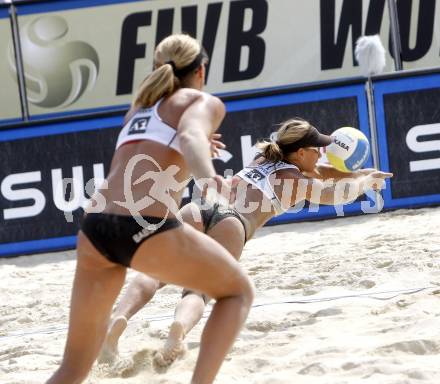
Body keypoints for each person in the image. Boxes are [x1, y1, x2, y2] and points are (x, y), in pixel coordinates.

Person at [46, 33, 255, 384]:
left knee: (72, 370)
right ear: (201, 70)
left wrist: (199, 145)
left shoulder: (138, 109)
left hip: (95, 228)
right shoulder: (203, 101)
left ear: (158, 69)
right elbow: (189, 138)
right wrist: (209, 178)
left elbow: (172, 143)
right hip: (144, 224)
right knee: (237, 292)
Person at [98, 118, 393, 366]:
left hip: (199, 207)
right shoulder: (296, 183)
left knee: (156, 270)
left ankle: (116, 322)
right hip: (231, 224)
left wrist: (358, 173)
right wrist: (364, 183)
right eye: (316, 148)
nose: (322, 153)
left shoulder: (264, 157)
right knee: (199, 290)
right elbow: (332, 194)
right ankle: (177, 331)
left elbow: (322, 171)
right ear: (300, 153)